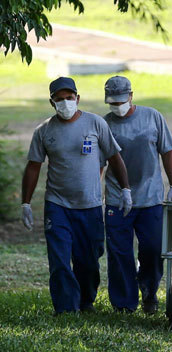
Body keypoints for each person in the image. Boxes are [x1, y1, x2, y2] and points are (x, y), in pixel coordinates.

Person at [21, 77, 131, 315]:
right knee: (59, 259)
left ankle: (85, 300)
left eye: (69, 98)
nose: (65, 103)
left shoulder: (95, 123)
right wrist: (26, 203)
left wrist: (125, 189)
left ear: (77, 98)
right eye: (59, 100)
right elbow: (33, 166)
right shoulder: (44, 131)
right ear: (52, 103)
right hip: (57, 204)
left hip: (90, 205)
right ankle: (65, 307)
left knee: (88, 259)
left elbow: (114, 156)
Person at [102, 76, 172, 314]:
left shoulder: (152, 117)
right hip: (117, 196)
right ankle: (124, 303)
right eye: (112, 102)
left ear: (131, 96)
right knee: (119, 252)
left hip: (150, 196)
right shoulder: (104, 124)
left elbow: (167, 152)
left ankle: (149, 289)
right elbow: (99, 163)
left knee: (153, 249)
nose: (117, 107)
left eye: (121, 101)